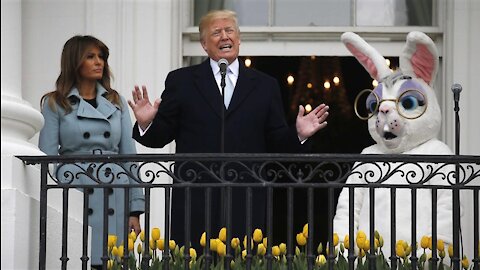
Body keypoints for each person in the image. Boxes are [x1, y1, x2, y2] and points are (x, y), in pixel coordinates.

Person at [128, 10, 329, 249]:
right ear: (204, 44)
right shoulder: (181, 81)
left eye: (229, 31)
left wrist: (298, 135)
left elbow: (276, 141)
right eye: (216, 32)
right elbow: (160, 136)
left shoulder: (265, 85)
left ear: (239, 38)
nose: (225, 37)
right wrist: (146, 123)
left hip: (247, 197)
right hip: (195, 197)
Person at [38, 35, 145, 269]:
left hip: (114, 192)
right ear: (74, 62)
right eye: (90, 56)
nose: (99, 62)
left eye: (101, 57)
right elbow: (46, 158)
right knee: (76, 258)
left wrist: (135, 209)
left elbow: (129, 155)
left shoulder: (116, 102)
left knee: (112, 262)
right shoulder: (55, 103)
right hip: (75, 189)